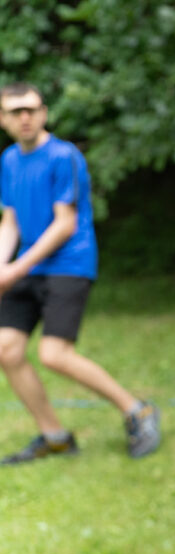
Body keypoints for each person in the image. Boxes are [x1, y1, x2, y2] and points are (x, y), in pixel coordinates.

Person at [0, 83, 161, 464]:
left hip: (68, 264)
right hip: (27, 266)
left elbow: (65, 224)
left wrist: (15, 268)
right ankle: (54, 436)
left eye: (32, 109)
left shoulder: (63, 156)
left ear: (43, 113)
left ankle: (138, 410)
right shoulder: (8, 161)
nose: (25, 117)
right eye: (15, 111)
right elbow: (10, 223)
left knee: (54, 354)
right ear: (3, 119)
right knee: (6, 349)